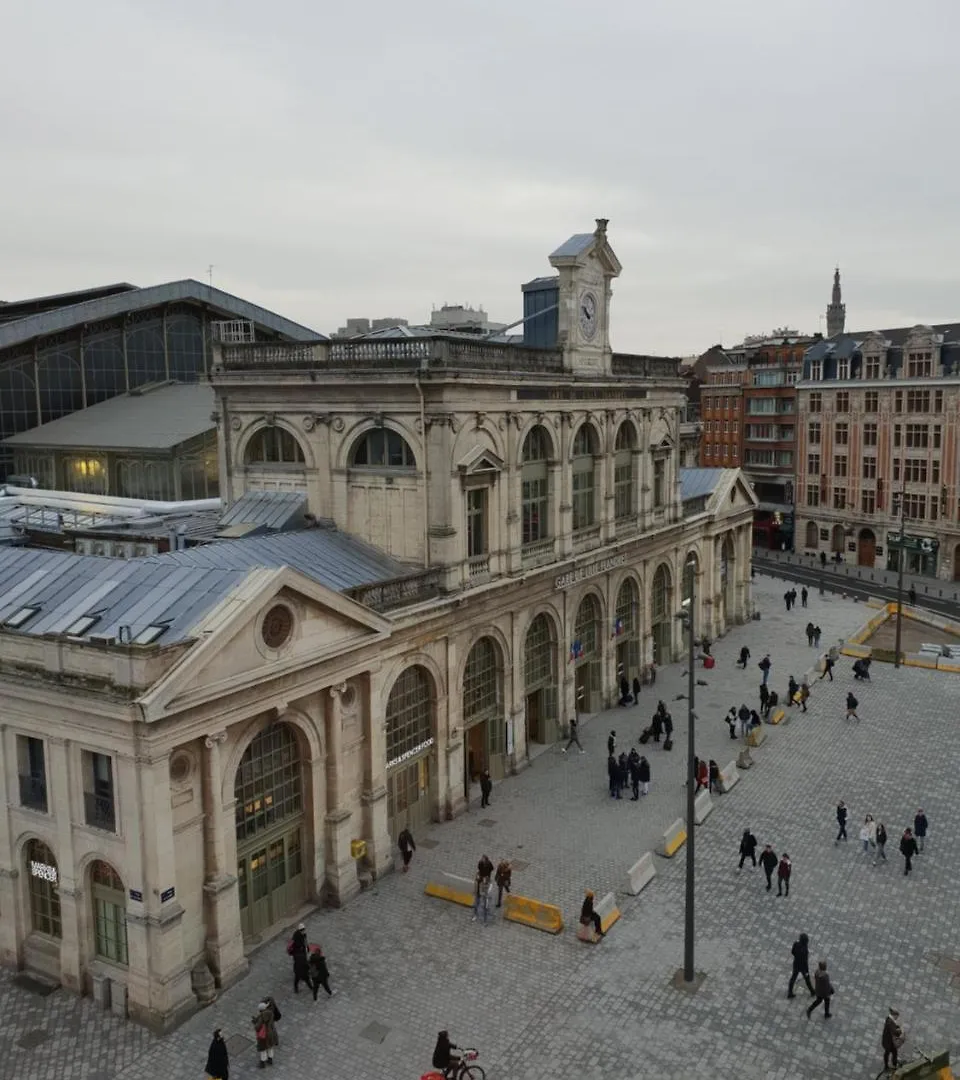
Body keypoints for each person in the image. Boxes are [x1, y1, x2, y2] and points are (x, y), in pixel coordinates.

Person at [252, 998, 279, 1069]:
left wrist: (255, 1023)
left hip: (264, 1035)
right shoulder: (270, 1013)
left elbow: (258, 1027)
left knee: (263, 1049)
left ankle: (262, 1063)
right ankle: (270, 1060)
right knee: (270, 1047)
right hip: (271, 1033)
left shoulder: (262, 1016)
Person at [788, 934, 814, 999]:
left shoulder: (796, 943)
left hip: (796, 964)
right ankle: (812, 991)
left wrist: (796, 957)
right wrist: (807, 971)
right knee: (807, 979)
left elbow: (792, 952)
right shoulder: (805, 950)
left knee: (793, 978)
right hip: (803, 967)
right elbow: (805, 962)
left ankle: (790, 992)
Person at [882, 1007, 905, 1072]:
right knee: (893, 1052)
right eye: (897, 1017)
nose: (897, 1018)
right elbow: (895, 1032)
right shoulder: (890, 1022)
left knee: (889, 1053)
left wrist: (897, 1027)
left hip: (886, 1041)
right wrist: (901, 1031)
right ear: (894, 1015)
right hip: (889, 1043)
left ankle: (889, 1065)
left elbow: (893, 1027)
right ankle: (892, 1066)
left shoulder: (889, 1019)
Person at [290, 922, 310, 993]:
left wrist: (307, 947)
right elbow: (296, 945)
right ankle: (296, 988)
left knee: (304, 962)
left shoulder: (303, 934)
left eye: (304, 929)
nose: (303, 931)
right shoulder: (296, 935)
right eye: (302, 930)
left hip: (302, 952)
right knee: (297, 976)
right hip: (297, 953)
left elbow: (305, 941)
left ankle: (306, 972)